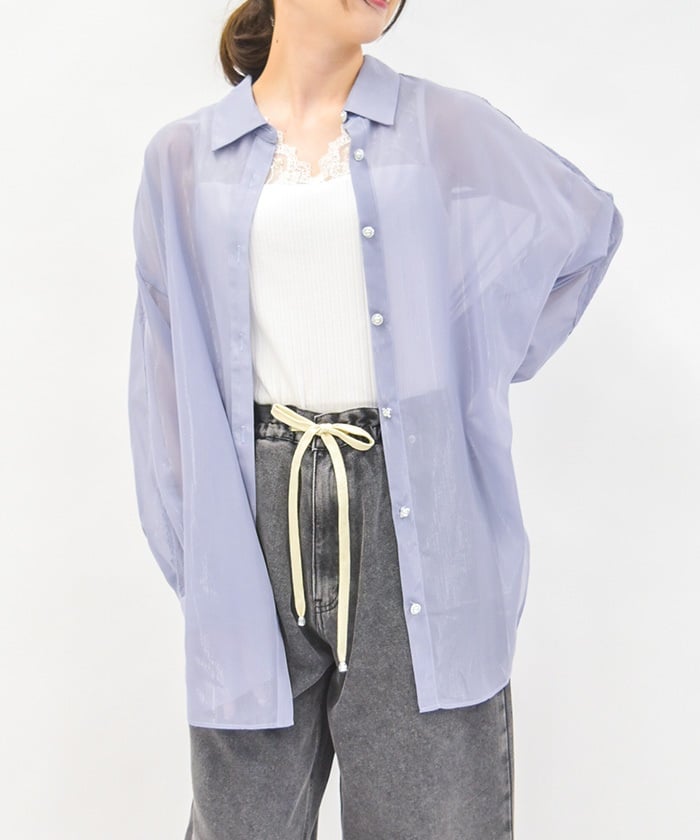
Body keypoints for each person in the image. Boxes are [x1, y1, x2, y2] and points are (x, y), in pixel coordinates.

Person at [127, 1, 624, 837]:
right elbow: (164, 380)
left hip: (418, 511)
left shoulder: (443, 127)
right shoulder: (183, 157)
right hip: (251, 517)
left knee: (432, 812)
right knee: (243, 819)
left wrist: (467, 369)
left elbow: (583, 230)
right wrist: (199, 560)